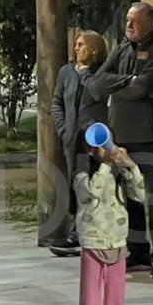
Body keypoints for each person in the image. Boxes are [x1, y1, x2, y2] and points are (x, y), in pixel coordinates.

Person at [87, 3, 153, 279]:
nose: (129, 26)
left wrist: (125, 85)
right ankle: (138, 252)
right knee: (129, 195)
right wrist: (129, 80)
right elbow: (95, 84)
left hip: (150, 135)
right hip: (120, 135)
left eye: (135, 21)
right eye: (127, 20)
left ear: (150, 23)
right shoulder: (121, 48)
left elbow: (144, 88)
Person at [74, 135, 145, 305]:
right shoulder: (82, 176)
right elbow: (91, 193)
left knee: (115, 301)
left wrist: (130, 166)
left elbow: (140, 194)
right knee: (92, 300)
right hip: (93, 243)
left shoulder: (117, 176)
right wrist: (105, 165)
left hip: (117, 241)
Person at [49, 30, 108, 256]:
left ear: (93, 49)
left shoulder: (99, 73)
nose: (76, 48)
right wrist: (63, 129)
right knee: (75, 185)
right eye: (76, 44)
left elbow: (101, 98)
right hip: (71, 139)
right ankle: (75, 232)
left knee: (92, 185)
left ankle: (90, 233)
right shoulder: (66, 72)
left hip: (93, 140)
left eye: (81, 45)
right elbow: (57, 102)